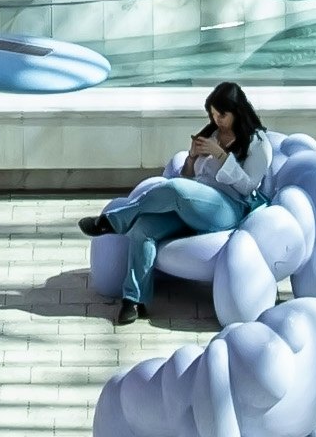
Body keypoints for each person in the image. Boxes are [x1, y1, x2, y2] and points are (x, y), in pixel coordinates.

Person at [84, 81, 274, 304]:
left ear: (237, 112)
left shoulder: (257, 142)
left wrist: (221, 156)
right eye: (212, 115)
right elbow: (188, 180)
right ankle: (134, 301)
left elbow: (248, 187)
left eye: (221, 115)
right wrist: (192, 158)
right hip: (195, 204)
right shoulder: (211, 135)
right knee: (142, 229)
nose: (216, 121)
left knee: (174, 189)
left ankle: (114, 220)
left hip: (228, 208)